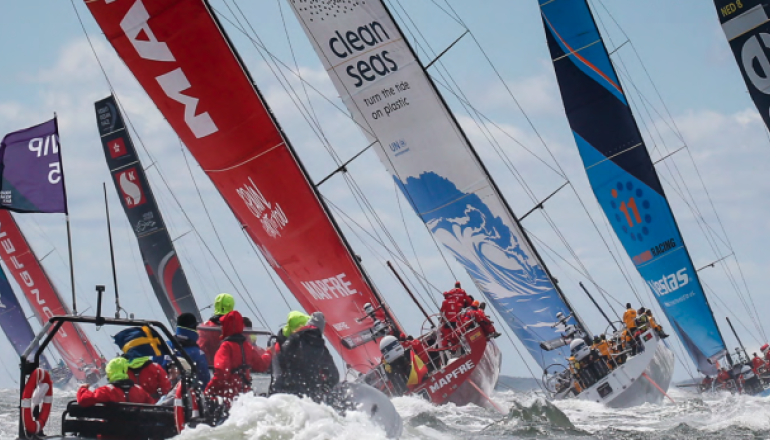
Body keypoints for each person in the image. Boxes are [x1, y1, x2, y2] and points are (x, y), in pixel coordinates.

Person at [270, 311, 339, 402]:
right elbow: (334, 376)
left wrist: (279, 385)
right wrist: (322, 389)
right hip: (313, 395)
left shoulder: (294, 338)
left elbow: (281, 359)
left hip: (291, 391)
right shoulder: (322, 347)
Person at [205, 310, 271, 404]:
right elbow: (262, 366)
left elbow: (221, 373)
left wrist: (208, 391)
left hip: (228, 399)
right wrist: (269, 353)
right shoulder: (248, 347)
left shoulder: (225, 347)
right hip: (245, 396)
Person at [113, 326, 172, 403]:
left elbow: (115, 391)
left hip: (130, 410)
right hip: (154, 409)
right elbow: (166, 390)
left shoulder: (122, 370)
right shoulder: (156, 368)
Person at [77, 357, 153, 407]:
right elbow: (152, 406)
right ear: (125, 370)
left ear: (109, 372)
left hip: (111, 430)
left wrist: (83, 388)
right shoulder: (139, 390)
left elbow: (84, 400)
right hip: (137, 430)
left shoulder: (106, 391)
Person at [167, 312, 210, 388]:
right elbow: (204, 380)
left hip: (162, 396)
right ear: (193, 328)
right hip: (186, 396)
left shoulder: (164, 346)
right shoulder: (198, 353)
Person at [199, 293, 236, 364]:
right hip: (232, 369)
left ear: (216, 305)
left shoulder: (205, 326)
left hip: (211, 367)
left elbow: (199, 347)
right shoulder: (237, 327)